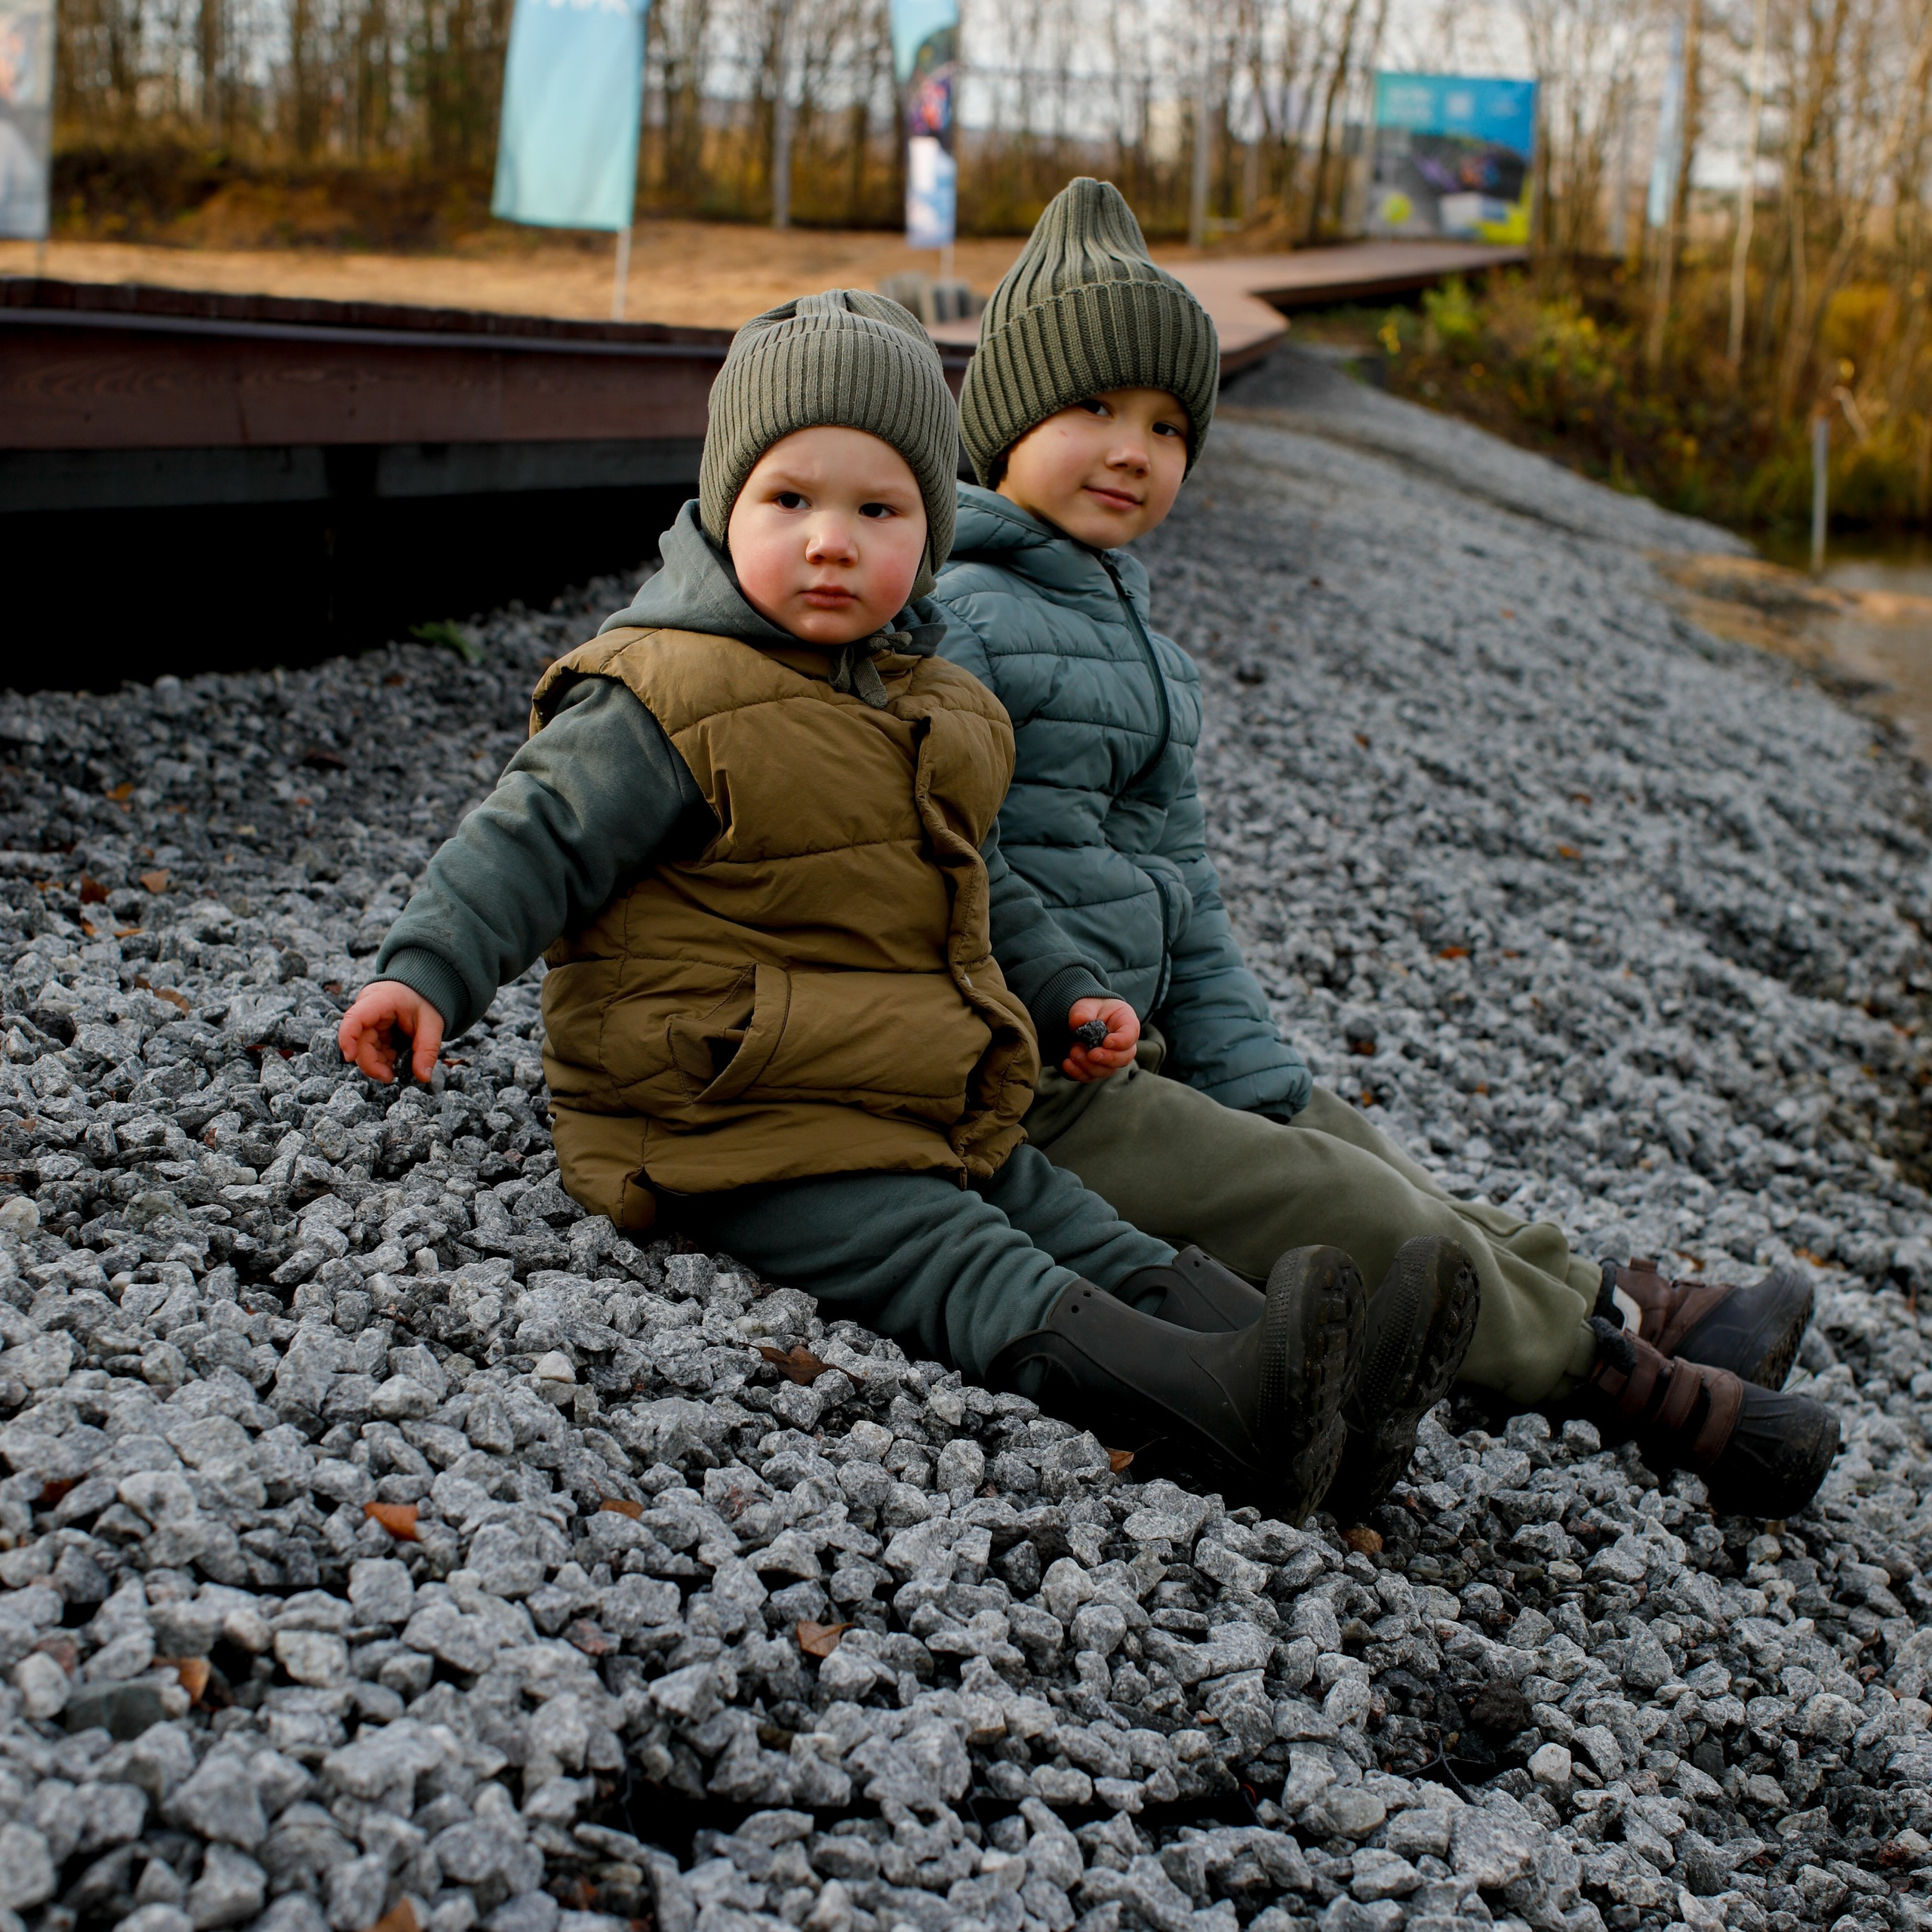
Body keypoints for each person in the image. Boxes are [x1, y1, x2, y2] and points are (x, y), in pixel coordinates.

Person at [335, 288, 1380, 1521]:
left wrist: (1063, 996)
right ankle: (1226, 1413)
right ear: (726, 508)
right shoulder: (661, 688)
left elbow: (974, 892)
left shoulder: (929, 701)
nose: (831, 540)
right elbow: (528, 843)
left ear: (928, 538)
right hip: (727, 1107)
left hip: (896, 1086)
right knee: (952, 1253)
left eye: (877, 510)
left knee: (1059, 1208)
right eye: (792, 501)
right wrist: (427, 969)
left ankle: (1324, 1386)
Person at [931, 178, 1841, 1521]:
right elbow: (957, 858)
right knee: (1359, 1212)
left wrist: (1259, 1076)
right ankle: (1627, 1382)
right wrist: (1074, 1008)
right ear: (1006, 423)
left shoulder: (1152, 653)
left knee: (1352, 1146)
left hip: (1145, 1052)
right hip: (1038, 1083)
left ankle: (1630, 1302)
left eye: (1170, 425)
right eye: (1092, 411)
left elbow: (1186, 893)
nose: (1133, 448)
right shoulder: (963, 618)